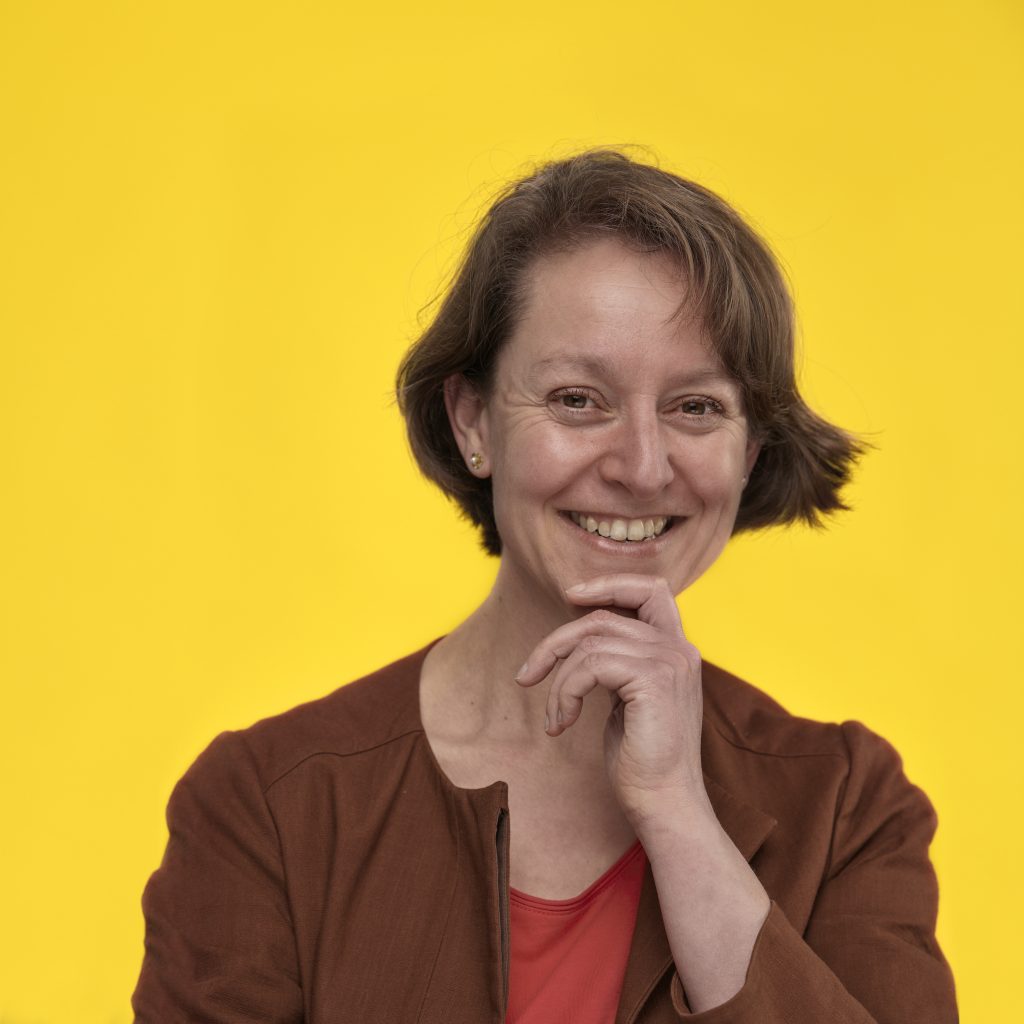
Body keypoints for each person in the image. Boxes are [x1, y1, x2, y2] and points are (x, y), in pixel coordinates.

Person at [132, 150, 957, 1023]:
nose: (642, 468)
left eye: (697, 407)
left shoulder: (850, 807)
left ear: (749, 454)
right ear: (474, 421)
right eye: (576, 399)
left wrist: (679, 816)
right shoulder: (268, 804)